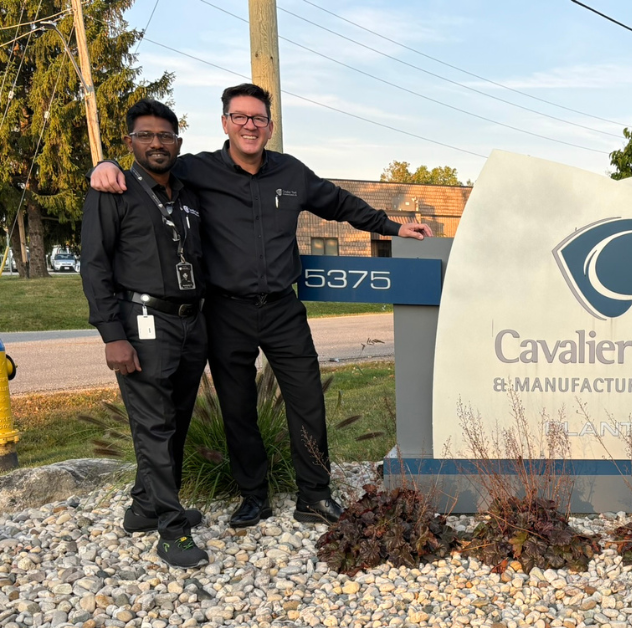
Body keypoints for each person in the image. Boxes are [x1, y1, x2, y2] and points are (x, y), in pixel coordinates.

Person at [90, 84, 433, 528]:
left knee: (308, 400)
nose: (249, 125)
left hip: (282, 310)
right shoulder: (196, 169)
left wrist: (392, 225)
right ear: (225, 124)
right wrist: (103, 166)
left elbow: (339, 203)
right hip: (225, 311)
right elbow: (148, 165)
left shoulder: (291, 174)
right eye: (240, 117)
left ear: (269, 127)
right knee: (238, 408)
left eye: (258, 118)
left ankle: (314, 495)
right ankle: (253, 496)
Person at [81, 99, 209, 568]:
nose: (157, 143)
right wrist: (112, 335)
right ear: (130, 141)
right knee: (153, 426)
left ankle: (143, 507)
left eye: (166, 136)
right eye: (146, 135)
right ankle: (172, 532)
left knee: (174, 420)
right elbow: (94, 266)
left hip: (191, 322)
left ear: (178, 141)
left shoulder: (189, 190)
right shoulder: (112, 191)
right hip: (141, 322)